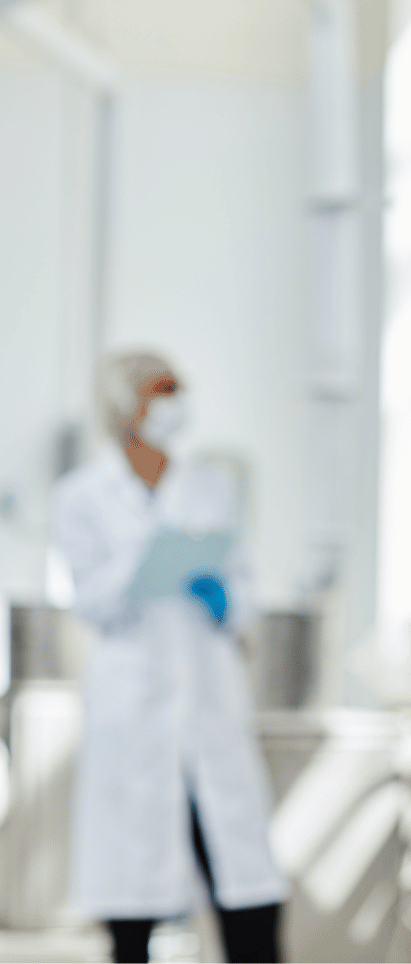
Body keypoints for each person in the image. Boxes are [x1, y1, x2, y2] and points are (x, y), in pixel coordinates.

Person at [55, 351, 286, 964]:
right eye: (163, 390)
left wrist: (223, 599)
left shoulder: (211, 485)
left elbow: (244, 595)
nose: (175, 401)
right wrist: (149, 558)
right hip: (134, 702)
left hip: (208, 694)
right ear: (126, 404)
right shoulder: (82, 495)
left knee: (244, 875)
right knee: (131, 890)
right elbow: (90, 602)